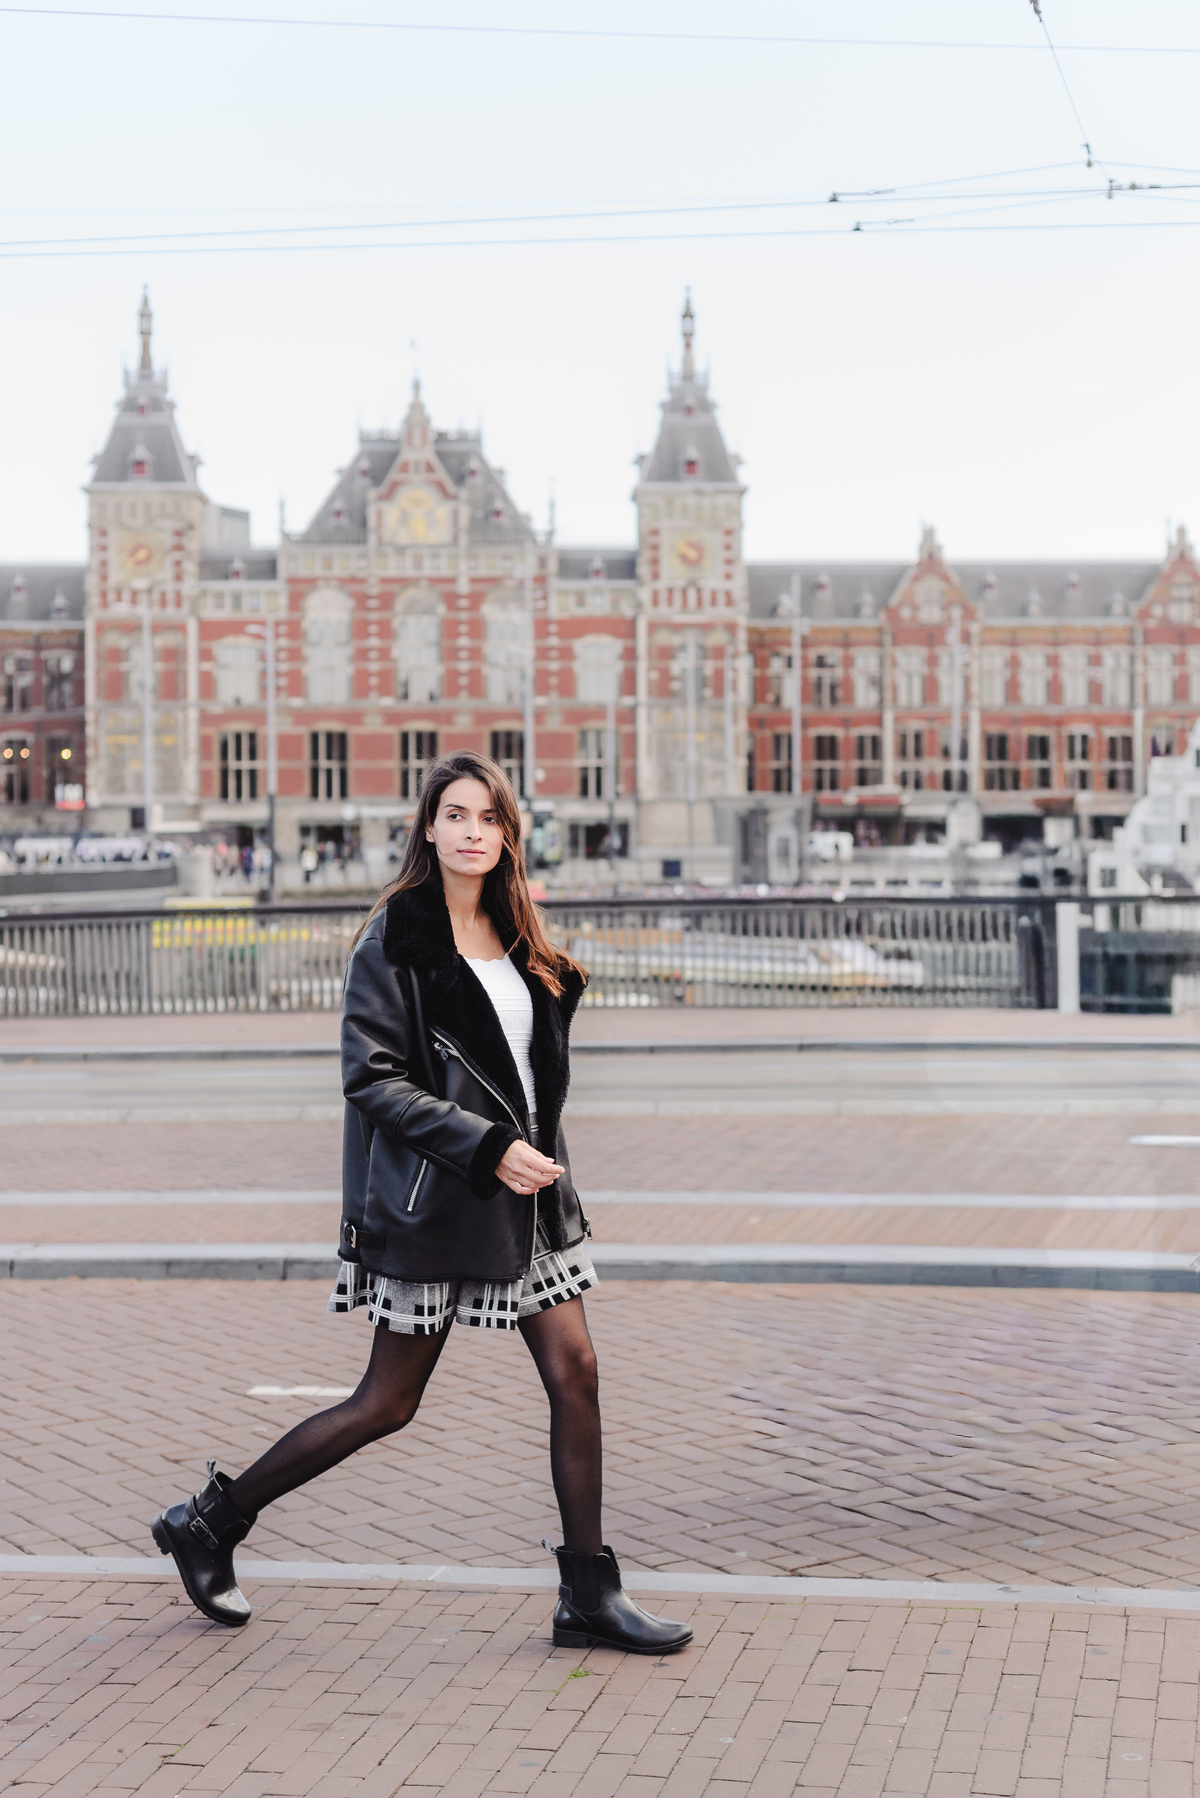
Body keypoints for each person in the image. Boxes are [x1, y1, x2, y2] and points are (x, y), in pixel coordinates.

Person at [151, 750, 692, 1656]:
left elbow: (521, 1075)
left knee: (578, 1375)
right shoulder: (395, 936)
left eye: (489, 818)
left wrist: (526, 1152)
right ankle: (210, 1523)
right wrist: (489, 1148)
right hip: (440, 1197)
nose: (473, 832)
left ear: (507, 834)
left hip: (527, 1200)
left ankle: (588, 1594)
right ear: (429, 828)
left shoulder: (517, 934)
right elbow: (372, 1078)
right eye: (456, 815)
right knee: (386, 1403)